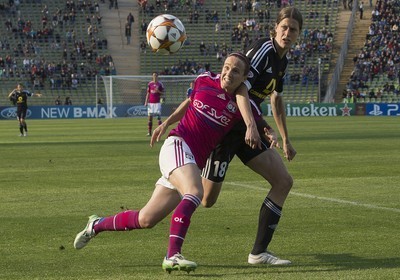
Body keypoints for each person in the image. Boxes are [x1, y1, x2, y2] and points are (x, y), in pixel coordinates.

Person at [73, 53, 261, 273]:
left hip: (190, 161)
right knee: (194, 192)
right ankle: (172, 255)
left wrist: (269, 133)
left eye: (236, 71)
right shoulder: (204, 80)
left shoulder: (241, 105)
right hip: (178, 145)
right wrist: (165, 124)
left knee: (146, 219)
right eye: (226, 67)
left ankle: (96, 225)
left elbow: (259, 120)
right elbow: (189, 102)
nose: (228, 73)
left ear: (244, 78)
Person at [200, 6, 303, 265]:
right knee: (206, 200)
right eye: (284, 27)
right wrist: (251, 125)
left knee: (283, 181)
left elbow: (276, 99)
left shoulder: (282, 60)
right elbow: (239, 89)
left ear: (299, 35)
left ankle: (258, 253)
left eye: (293, 30)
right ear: (276, 28)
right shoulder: (264, 50)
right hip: (227, 126)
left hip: (249, 130)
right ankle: (175, 180)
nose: (287, 33)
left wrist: (285, 138)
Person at [144, 72, 164, 136]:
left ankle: (159, 132)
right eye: (153, 75)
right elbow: (148, 93)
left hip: (157, 103)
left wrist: (158, 91)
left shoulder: (160, 84)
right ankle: (149, 132)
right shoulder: (150, 84)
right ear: (152, 76)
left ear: (157, 76)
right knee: (150, 118)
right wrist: (146, 101)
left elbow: (163, 93)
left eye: (155, 75)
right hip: (150, 103)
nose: (154, 76)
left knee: (158, 118)